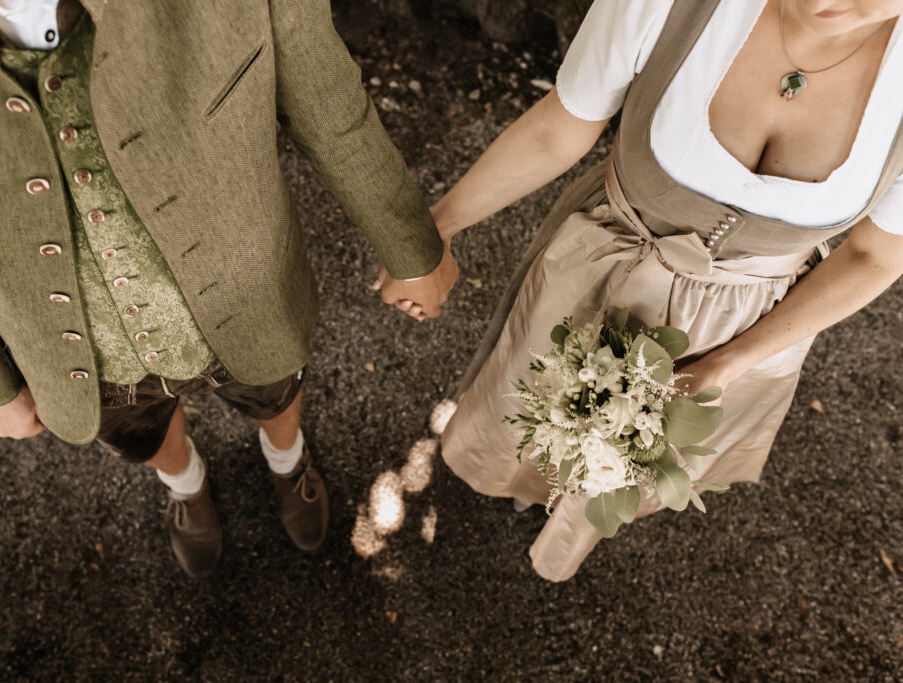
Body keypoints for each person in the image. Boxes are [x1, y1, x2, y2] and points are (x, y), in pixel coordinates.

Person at [0, 0, 457, 579]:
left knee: (275, 396)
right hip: (85, 357)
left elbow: (323, 90)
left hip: (250, 293)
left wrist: (412, 248)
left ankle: (288, 460)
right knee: (142, 434)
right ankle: (187, 485)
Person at [384, 0, 903, 581]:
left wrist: (726, 365)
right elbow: (561, 125)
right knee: (531, 401)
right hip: (596, 272)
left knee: (634, 462)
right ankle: (523, 486)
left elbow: (875, 254)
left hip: (745, 331)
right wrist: (435, 234)